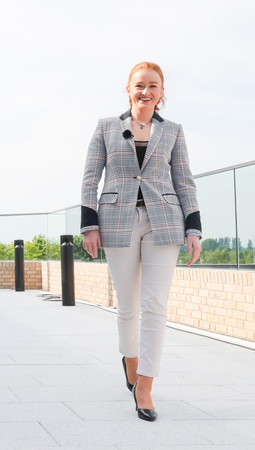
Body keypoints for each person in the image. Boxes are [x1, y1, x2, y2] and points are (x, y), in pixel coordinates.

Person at [80, 62, 201, 421]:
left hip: (164, 221)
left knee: (155, 306)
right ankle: (131, 361)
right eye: (139, 85)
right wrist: (90, 225)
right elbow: (90, 178)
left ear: (162, 92)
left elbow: (184, 181)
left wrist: (193, 228)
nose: (145, 91)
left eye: (153, 85)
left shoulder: (174, 132)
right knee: (128, 306)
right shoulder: (106, 127)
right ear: (128, 89)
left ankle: (145, 386)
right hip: (117, 221)